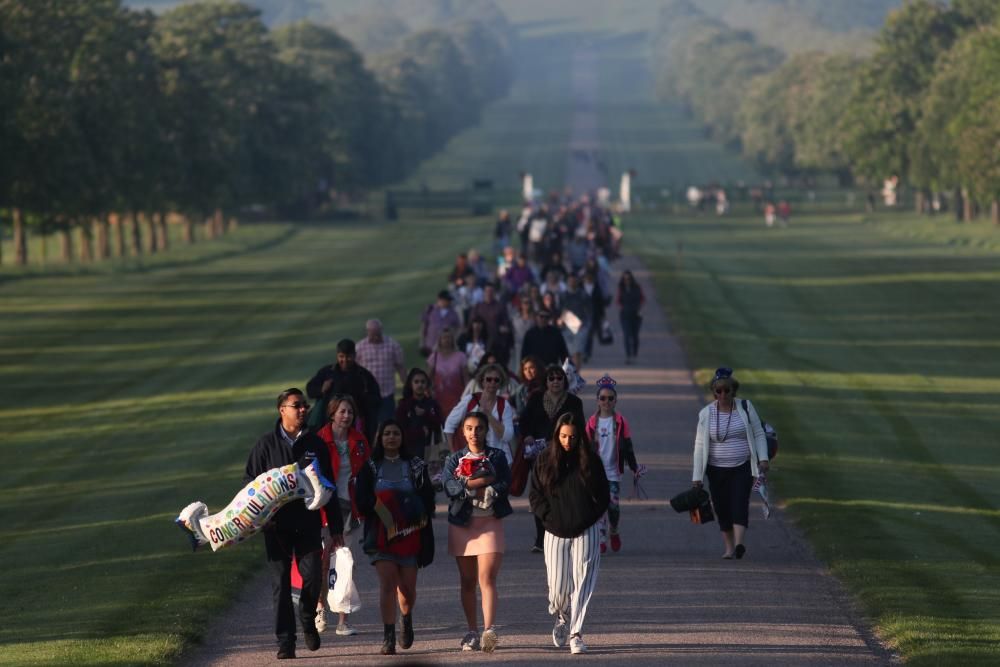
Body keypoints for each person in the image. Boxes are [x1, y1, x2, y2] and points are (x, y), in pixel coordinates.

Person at [244, 389, 344, 660]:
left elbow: (329, 485)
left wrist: (336, 528)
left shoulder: (315, 444)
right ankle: (285, 641)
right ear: (282, 410)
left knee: (313, 577)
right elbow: (249, 486)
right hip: (275, 526)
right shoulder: (265, 446)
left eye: (305, 405)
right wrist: (254, 521)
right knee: (281, 583)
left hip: (308, 522)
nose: (303, 410)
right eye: (296, 405)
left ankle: (308, 615)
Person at [529, 413, 609, 655]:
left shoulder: (591, 461)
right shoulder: (544, 460)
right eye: (563, 436)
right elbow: (535, 495)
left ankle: (576, 633)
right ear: (556, 435)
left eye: (572, 437)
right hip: (554, 531)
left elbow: (603, 496)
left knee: (584, 581)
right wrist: (548, 518)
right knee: (557, 586)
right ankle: (562, 617)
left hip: (586, 529)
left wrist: (590, 518)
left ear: (579, 437)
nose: (567, 441)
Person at [354, 420, 436, 655]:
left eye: (396, 433)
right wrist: (384, 509)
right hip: (381, 535)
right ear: (380, 438)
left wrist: (408, 510)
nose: (391, 437)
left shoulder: (416, 465)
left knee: (407, 589)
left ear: (402, 437)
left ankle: (406, 619)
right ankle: (388, 636)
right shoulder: (370, 466)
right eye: (387, 433)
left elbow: (428, 499)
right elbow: (362, 500)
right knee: (387, 584)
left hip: (410, 535)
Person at [442, 412, 513, 653]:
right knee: (468, 581)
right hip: (462, 525)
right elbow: (449, 486)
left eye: (479, 428)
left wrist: (490, 489)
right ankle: (472, 631)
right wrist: (473, 484)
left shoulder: (497, 456)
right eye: (470, 428)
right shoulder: (454, 459)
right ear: (463, 431)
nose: (474, 432)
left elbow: (506, 483)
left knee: (487, 578)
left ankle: (489, 631)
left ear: (486, 431)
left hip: (489, 522)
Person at [692, 368, 770, 559]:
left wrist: (763, 458)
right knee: (721, 507)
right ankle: (729, 548)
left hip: (742, 467)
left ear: (733, 390)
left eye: (727, 390)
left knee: (739, 503)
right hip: (715, 469)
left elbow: (759, 433)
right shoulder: (706, 413)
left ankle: (739, 543)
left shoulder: (746, 407)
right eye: (719, 391)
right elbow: (700, 446)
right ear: (714, 392)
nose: (723, 394)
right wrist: (697, 477)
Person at [314, 395, 370, 636]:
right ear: (332, 414)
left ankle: (342, 620)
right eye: (342, 412)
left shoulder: (359, 441)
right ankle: (319, 608)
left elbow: (368, 473)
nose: (346, 416)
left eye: (350, 412)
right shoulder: (319, 440)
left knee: (346, 562)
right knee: (322, 561)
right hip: (325, 507)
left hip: (351, 507)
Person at [518, 364, 585, 552]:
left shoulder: (573, 402)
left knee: (561, 494)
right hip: (539, 456)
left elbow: (580, 427)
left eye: (559, 378)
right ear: (546, 381)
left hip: (564, 454)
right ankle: (540, 538)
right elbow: (524, 421)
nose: (555, 381)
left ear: (565, 381)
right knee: (540, 495)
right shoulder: (536, 399)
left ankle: (561, 533)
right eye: (551, 378)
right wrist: (528, 435)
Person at [585, 375, 640, 554]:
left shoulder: (620, 422)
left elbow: (628, 446)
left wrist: (634, 467)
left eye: (610, 398)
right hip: (597, 472)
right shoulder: (592, 423)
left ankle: (614, 530)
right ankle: (601, 538)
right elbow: (585, 447)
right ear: (597, 401)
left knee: (613, 506)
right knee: (600, 506)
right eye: (602, 398)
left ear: (615, 400)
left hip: (614, 471)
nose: (606, 401)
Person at [306, 338, 382, 442]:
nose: (345, 360)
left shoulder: (363, 376)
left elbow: (376, 399)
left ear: (354, 355)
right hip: (328, 425)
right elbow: (310, 389)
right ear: (337, 355)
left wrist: (362, 400)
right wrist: (321, 389)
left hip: (355, 426)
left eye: (348, 357)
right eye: (341, 357)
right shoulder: (327, 372)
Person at [443, 363, 515, 463]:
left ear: (500, 383)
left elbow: (507, 436)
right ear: (482, 381)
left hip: (499, 461)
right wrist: (453, 452)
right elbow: (449, 424)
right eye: (489, 379)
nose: (492, 382)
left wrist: (488, 414)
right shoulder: (470, 400)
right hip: (472, 460)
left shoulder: (504, 405)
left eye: (496, 380)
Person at [355, 319, 407, 427]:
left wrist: (407, 386)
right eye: (372, 334)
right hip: (368, 394)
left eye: (377, 334)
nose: (375, 337)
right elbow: (355, 370)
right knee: (370, 424)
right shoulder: (359, 347)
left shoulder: (393, 345)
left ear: (381, 330)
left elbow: (400, 367)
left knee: (387, 424)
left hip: (386, 393)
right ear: (367, 332)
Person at [394, 368, 443, 462]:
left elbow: (439, 423)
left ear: (427, 384)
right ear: (411, 384)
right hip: (409, 450)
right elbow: (400, 428)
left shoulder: (432, 404)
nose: (420, 385)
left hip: (430, 450)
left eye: (422, 382)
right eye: (416, 382)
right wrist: (419, 432)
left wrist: (425, 414)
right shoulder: (404, 405)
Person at [427, 327, 468, 417]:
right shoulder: (434, 357)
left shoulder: (461, 356)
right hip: (439, 397)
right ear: (440, 340)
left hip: (457, 397)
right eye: (444, 337)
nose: (447, 340)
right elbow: (428, 379)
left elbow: (466, 379)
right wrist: (430, 393)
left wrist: (467, 396)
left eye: (449, 337)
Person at [420, 290, 462, 357]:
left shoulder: (453, 312)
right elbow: (424, 326)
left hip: (446, 347)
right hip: (431, 345)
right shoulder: (430, 309)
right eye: (447, 300)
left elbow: (459, 328)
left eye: (449, 300)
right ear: (440, 299)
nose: (449, 302)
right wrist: (422, 342)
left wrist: (454, 339)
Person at [616, 270, 644, 365]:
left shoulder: (637, 287)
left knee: (635, 336)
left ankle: (634, 353)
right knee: (627, 335)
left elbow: (642, 298)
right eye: (625, 279)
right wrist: (622, 307)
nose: (626, 280)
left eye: (628, 278)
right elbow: (618, 300)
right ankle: (628, 356)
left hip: (636, 314)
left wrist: (639, 307)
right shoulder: (621, 288)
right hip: (625, 315)